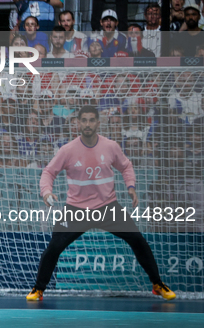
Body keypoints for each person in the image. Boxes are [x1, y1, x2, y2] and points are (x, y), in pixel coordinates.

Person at [25, 106, 176, 302]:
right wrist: (46, 192)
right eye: (84, 120)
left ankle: (157, 284)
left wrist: (130, 186)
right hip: (77, 209)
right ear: (78, 123)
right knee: (54, 247)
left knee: (138, 240)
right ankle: (38, 289)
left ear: (97, 123)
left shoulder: (111, 146)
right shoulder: (67, 150)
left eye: (91, 120)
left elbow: (126, 166)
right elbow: (48, 172)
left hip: (108, 207)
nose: (87, 124)